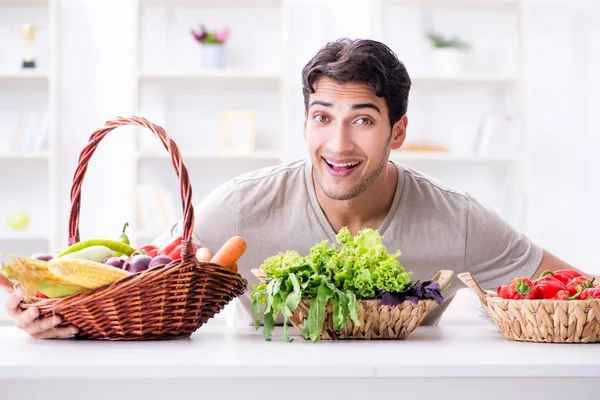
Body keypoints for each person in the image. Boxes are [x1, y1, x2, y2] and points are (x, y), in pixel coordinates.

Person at [6, 38, 598, 339]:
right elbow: (135, 283)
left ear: (399, 132)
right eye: (322, 117)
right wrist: (49, 313)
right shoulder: (240, 207)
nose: (337, 143)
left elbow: (577, 293)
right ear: (305, 121)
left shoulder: (458, 220)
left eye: (362, 119)